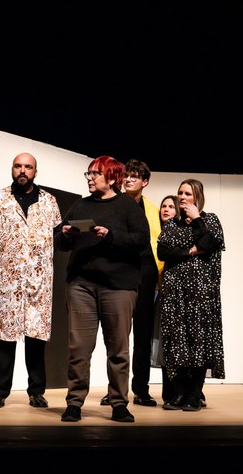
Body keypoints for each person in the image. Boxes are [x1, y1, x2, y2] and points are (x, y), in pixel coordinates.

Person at [55, 156, 149, 423]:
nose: (90, 178)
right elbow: (59, 241)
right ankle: (74, 403)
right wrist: (66, 235)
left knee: (118, 350)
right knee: (79, 350)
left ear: (112, 177)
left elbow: (141, 242)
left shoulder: (128, 206)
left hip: (118, 287)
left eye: (95, 173)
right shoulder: (81, 205)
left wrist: (111, 237)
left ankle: (119, 403)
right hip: (81, 285)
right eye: (88, 173)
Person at [0, 153, 62, 409]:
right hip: (8, 282)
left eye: (28, 167)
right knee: (5, 338)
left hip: (38, 282)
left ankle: (36, 391)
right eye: (18, 166)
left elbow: (58, 238)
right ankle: (0, 392)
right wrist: (4, 264)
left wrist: (39, 262)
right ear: (12, 169)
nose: (22, 170)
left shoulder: (49, 202)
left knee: (36, 338)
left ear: (35, 171)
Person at [98, 159, 164, 407]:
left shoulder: (153, 209)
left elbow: (158, 243)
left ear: (145, 182)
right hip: (119, 272)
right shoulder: (114, 204)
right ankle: (116, 390)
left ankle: (141, 390)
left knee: (143, 335)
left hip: (146, 274)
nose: (128, 180)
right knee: (117, 336)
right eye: (126, 176)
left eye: (134, 176)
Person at [157, 179, 225, 412]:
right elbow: (163, 252)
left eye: (188, 193)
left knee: (198, 341)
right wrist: (190, 251)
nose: (182, 197)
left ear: (197, 197)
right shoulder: (171, 225)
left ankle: (194, 394)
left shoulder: (210, 220)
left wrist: (196, 219)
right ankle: (179, 393)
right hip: (175, 293)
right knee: (177, 342)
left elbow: (209, 243)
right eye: (180, 193)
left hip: (201, 294)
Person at [150, 195, 178, 401]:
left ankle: (189, 390)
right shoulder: (157, 232)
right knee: (163, 341)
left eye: (171, 206)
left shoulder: (181, 231)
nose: (166, 209)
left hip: (177, 292)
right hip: (159, 290)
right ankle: (169, 392)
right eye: (163, 206)